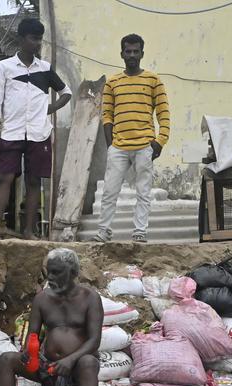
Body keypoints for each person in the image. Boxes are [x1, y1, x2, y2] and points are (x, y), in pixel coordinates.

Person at [0, 248, 102, 386]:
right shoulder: (42, 299)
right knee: (6, 360)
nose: (51, 278)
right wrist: (29, 351)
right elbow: (33, 334)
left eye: (57, 272)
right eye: (49, 272)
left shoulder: (90, 298)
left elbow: (94, 340)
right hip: (48, 364)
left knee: (89, 362)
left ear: (73, 273)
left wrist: (70, 360)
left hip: (76, 365)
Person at [0, 18, 72, 240]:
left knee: (34, 181)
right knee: (5, 177)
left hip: (39, 132)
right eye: (33, 38)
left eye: (39, 39)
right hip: (11, 131)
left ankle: (29, 232)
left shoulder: (45, 69)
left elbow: (66, 92)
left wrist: (48, 109)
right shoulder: (4, 67)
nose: (37, 43)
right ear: (21, 39)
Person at [95, 34, 170, 244]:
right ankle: (104, 231)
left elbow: (163, 113)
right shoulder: (112, 83)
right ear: (121, 54)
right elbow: (107, 115)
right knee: (110, 191)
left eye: (136, 51)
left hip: (145, 145)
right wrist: (111, 145)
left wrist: (160, 141)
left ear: (142, 54)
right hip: (118, 147)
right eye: (128, 51)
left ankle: (140, 231)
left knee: (143, 192)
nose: (132, 55)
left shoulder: (153, 80)